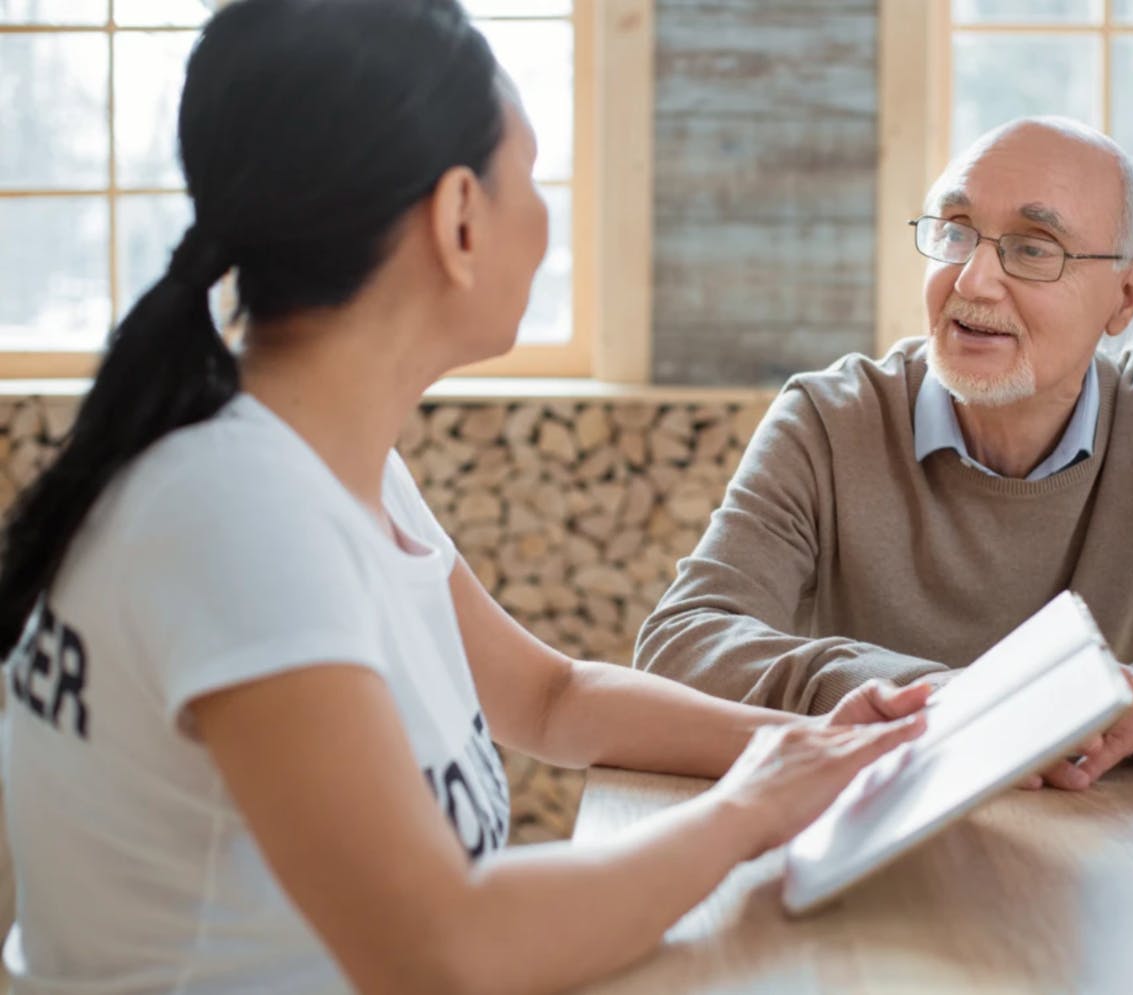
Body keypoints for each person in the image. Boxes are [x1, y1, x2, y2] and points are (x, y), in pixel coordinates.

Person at [0, 2, 931, 992]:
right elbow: (443, 949)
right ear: (457, 219)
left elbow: (552, 698)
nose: (545, 222)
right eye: (528, 178)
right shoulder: (236, 512)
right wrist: (747, 811)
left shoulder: (319, 463)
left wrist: (807, 745)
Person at [635, 117, 1133, 790]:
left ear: (1126, 298)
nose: (973, 279)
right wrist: (937, 703)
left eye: (1033, 248)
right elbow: (682, 641)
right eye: (956, 230)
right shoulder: (828, 421)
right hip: (865, 831)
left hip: (1092, 846)